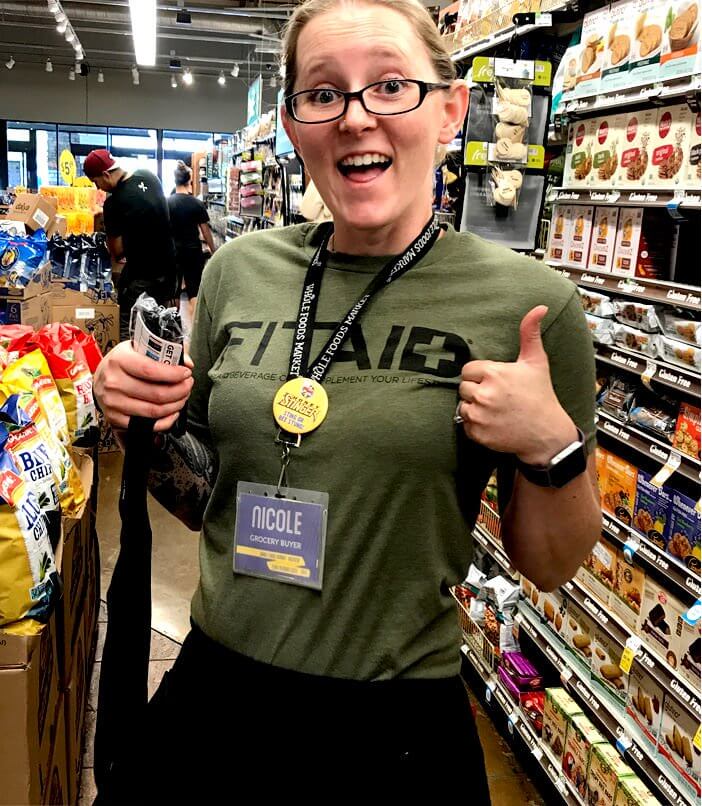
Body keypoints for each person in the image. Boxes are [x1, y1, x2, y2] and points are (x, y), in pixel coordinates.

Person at [93, 0, 601, 799]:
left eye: (390, 85)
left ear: (450, 111)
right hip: (217, 697)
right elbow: (201, 496)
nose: (356, 118)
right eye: (324, 93)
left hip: (395, 728)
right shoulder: (238, 273)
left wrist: (550, 447)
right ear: (294, 126)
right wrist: (136, 416)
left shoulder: (528, 305)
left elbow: (551, 563)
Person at [83, 149, 177, 340]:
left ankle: (132, 360)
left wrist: (105, 226)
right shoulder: (149, 176)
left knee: (131, 331)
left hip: (142, 277)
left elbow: (117, 251)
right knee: (158, 328)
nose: (98, 188)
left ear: (106, 174)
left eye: (96, 182)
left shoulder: (113, 203)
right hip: (169, 272)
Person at [167, 160, 216, 319]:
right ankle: (195, 327)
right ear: (189, 181)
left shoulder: (167, 203)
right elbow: (205, 232)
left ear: (175, 180)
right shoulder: (196, 203)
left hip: (173, 252)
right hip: (193, 252)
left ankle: (172, 326)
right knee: (194, 291)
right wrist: (213, 250)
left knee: (173, 292)